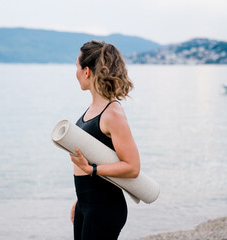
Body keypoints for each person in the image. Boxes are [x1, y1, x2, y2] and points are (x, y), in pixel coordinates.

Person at [70, 40, 140, 240]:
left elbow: (133, 167)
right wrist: (80, 199)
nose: (75, 72)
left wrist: (91, 170)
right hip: (88, 203)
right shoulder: (93, 109)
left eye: (76, 66)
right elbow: (97, 155)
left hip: (104, 207)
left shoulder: (112, 113)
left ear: (87, 71)